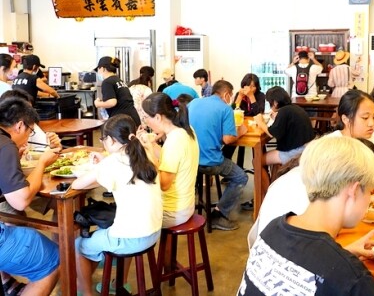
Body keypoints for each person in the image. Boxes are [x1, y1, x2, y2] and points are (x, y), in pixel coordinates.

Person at [238, 135, 374, 296]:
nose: (369, 199)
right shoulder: (354, 281)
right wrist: (343, 262)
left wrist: (343, 255)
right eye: (369, 191)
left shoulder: (273, 228)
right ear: (354, 191)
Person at [72, 115, 162, 295]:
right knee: (107, 229)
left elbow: (76, 184)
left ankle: (85, 292)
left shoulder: (112, 163)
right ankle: (118, 281)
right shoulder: (144, 155)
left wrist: (100, 166)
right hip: (154, 233)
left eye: (103, 139)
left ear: (112, 140)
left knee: (78, 244)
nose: (103, 143)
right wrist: (104, 163)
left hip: (130, 239)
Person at [247, 137, 374, 249]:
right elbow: (308, 257)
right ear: (354, 189)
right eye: (369, 191)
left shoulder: (312, 177)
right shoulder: (314, 196)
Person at [0, 96, 60, 296]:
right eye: (30, 131)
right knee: (57, 259)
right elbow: (20, 200)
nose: (29, 137)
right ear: (19, 126)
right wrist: (42, 163)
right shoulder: (6, 145)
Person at [188, 80, 248, 231]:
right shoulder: (225, 109)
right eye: (230, 95)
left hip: (191, 159)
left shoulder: (194, 103)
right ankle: (219, 215)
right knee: (241, 177)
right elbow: (228, 139)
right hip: (211, 162)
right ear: (226, 94)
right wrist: (240, 132)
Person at [141, 92, 199, 228]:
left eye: (145, 118)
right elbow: (170, 159)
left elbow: (163, 184)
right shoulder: (186, 129)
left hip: (173, 211)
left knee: (130, 210)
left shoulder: (174, 141)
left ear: (157, 117)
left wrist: (150, 153)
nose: (145, 122)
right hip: (186, 204)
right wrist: (152, 145)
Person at [329, 89, 374, 193]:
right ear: (345, 119)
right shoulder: (332, 144)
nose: (371, 123)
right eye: (365, 118)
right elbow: (346, 191)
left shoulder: (371, 139)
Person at [223, 74, 266, 171]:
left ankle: (261, 169)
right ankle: (227, 168)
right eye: (248, 86)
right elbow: (232, 111)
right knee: (231, 139)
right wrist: (239, 97)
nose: (250, 89)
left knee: (258, 144)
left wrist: (251, 97)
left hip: (255, 126)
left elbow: (259, 113)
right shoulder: (239, 94)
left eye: (253, 86)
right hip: (241, 125)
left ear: (257, 86)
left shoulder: (261, 95)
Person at [93, 56, 141, 126]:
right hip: (133, 117)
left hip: (122, 121)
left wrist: (98, 104)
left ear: (103, 68)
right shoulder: (119, 80)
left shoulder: (107, 82)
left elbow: (112, 102)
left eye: (98, 69)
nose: (98, 72)